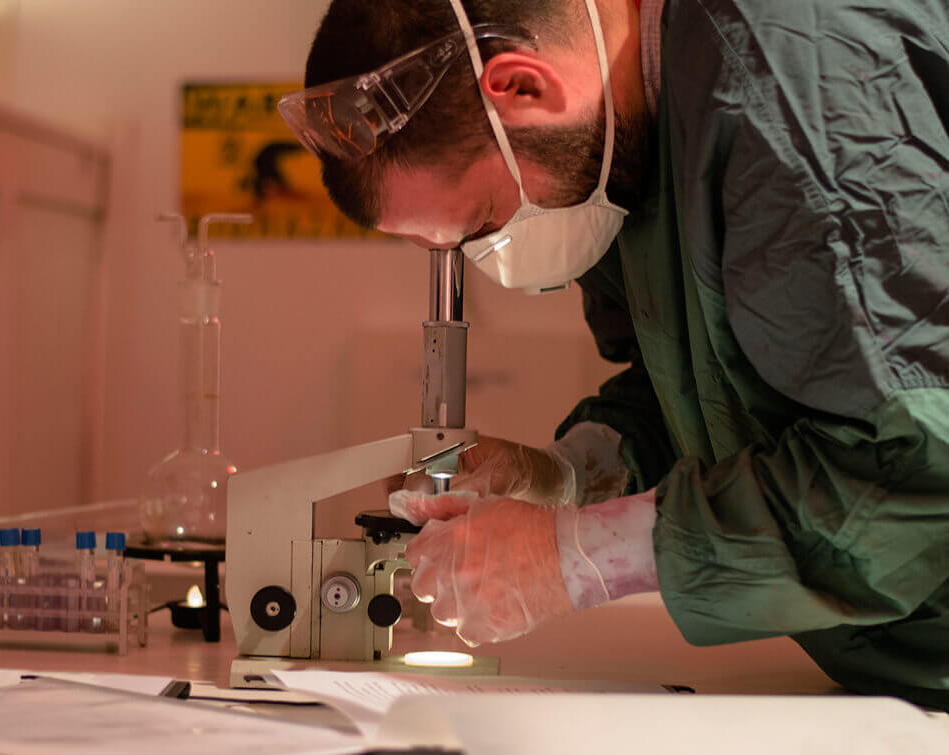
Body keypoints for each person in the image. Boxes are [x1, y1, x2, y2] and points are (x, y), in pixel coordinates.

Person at [279, 0, 949, 710]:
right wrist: (564, 478)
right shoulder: (619, 144)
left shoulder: (794, 85)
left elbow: (915, 471)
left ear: (526, 88)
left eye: (483, 221)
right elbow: (714, 395)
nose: (488, 255)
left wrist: (572, 557)